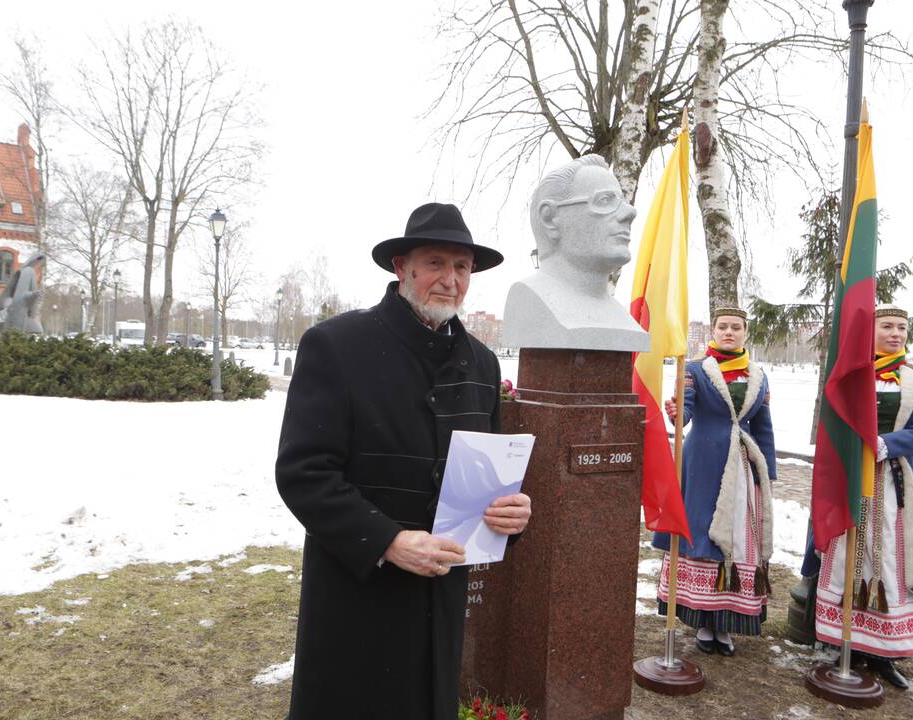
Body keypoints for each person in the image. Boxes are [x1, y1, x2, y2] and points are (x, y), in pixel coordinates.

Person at [275, 202, 532, 720]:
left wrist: (512, 515)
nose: (450, 280)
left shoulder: (481, 363)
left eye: (462, 268)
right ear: (402, 268)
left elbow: (488, 471)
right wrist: (388, 541)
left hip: (441, 591)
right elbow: (303, 472)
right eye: (436, 263)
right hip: (358, 591)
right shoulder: (337, 345)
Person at [801, 305, 913, 689]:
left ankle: (885, 653)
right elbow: (832, 420)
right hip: (849, 477)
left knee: (892, 561)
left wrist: (884, 443)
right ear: (871, 330)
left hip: (897, 482)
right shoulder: (851, 374)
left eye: (902, 328)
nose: (896, 333)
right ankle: (845, 641)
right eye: (887, 326)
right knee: (849, 554)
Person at [654, 307, 777, 656]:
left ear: (745, 333)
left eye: (736, 327)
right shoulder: (695, 369)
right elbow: (687, 413)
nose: (729, 332)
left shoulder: (758, 376)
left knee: (738, 539)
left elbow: (763, 427)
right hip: (703, 465)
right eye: (722, 327)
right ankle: (704, 621)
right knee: (704, 535)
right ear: (713, 330)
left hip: (743, 468)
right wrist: (676, 412)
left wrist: (766, 472)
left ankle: (727, 622)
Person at [502, 153, 648, 351]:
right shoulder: (529, 299)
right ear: (550, 219)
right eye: (605, 200)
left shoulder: (620, 317)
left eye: (622, 202)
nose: (630, 213)